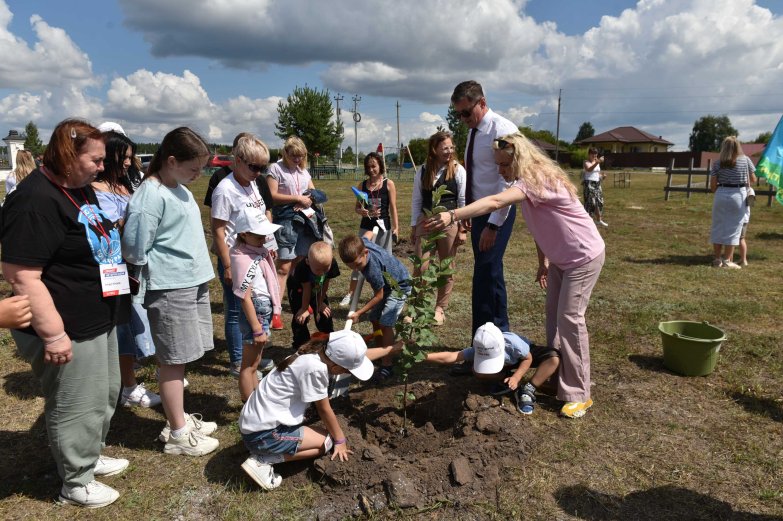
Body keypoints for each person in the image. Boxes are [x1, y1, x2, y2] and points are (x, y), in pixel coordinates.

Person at [426, 132, 605, 419]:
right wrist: (543, 260)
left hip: (582, 257)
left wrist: (453, 215)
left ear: (518, 159)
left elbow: (495, 201)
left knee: (570, 319)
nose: (500, 171)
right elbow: (543, 224)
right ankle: (558, 374)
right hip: (561, 258)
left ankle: (580, 392)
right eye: (497, 164)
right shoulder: (528, 184)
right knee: (553, 318)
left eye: (503, 165)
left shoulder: (539, 180)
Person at [1, 118, 127, 508]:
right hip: (66, 323)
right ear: (68, 156)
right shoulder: (35, 198)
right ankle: (75, 482)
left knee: (103, 394)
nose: (102, 167)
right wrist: (53, 333)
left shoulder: (78, 189)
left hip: (96, 315)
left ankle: (89, 455)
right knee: (76, 401)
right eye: (95, 159)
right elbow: (21, 274)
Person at [122, 127, 220, 456]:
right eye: (194, 169)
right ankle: (178, 433)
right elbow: (135, 248)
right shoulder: (150, 195)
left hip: (189, 282)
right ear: (172, 160)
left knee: (182, 357)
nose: (199, 175)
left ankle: (179, 419)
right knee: (172, 360)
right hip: (169, 287)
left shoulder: (177, 187)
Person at [238, 330, 401, 490]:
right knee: (326, 443)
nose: (347, 373)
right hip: (263, 434)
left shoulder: (313, 353)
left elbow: (360, 358)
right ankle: (263, 460)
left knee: (320, 434)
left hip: (254, 424)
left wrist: (391, 349)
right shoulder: (315, 370)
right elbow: (324, 409)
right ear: (337, 368)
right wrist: (340, 440)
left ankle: (266, 448)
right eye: (347, 371)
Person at [93, 127, 160, 408]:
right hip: (112, 268)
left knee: (138, 317)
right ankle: (128, 385)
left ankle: (134, 374)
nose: (129, 162)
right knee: (122, 324)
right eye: (124, 156)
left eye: (131, 157)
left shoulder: (125, 185)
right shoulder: (95, 190)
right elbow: (102, 230)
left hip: (133, 264)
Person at [450, 80, 519, 336]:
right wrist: (469, 210)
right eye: (459, 114)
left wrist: (492, 224)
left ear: (482, 103)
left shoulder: (502, 130)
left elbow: (507, 180)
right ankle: (499, 335)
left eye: (466, 112)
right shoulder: (474, 130)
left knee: (484, 274)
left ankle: (484, 339)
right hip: (480, 212)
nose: (462, 118)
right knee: (490, 272)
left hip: (497, 213)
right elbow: (476, 174)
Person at [211, 134, 276, 376]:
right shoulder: (225, 190)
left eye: (262, 167)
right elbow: (217, 230)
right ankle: (239, 362)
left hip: (255, 255)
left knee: (253, 307)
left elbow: (260, 217)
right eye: (253, 166)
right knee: (237, 309)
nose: (258, 172)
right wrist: (227, 266)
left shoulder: (252, 184)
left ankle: (251, 357)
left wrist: (269, 246)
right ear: (238, 160)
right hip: (235, 259)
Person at [424, 322, 560, 415]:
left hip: (522, 356)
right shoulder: (478, 349)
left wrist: (517, 377)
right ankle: (504, 379)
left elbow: (527, 359)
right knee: (477, 371)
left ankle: (528, 389)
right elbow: (450, 356)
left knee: (554, 358)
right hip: (507, 365)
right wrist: (421, 356)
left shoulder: (514, 344)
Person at [410, 130, 467, 326]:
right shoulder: (423, 170)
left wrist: (462, 229)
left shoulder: (458, 170)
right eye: (445, 148)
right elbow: (417, 199)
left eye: (451, 148)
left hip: (449, 222)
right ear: (434, 149)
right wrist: (413, 226)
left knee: (446, 267)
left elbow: (463, 201)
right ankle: (416, 306)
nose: (449, 151)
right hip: (425, 221)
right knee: (421, 265)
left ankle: (440, 308)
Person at [338, 235, 410, 382]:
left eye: (358, 265)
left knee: (385, 323)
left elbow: (379, 296)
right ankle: (379, 349)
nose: (356, 269)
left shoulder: (372, 269)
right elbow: (368, 234)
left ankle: (387, 364)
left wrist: (358, 312)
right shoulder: (361, 244)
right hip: (388, 285)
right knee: (374, 318)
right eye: (352, 267)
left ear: (365, 252)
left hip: (399, 286)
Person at [229, 207, 282, 401]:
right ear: (244, 234)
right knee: (248, 366)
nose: (264, 239)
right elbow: (244, 296)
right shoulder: (242, 259)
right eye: (259, 236)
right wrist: (257, 328)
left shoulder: (255, 251)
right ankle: (248, 406)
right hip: (256, 312)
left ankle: (256, 401)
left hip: (261, 310)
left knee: (255, 362)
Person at [268, 136, 318, 323]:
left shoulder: (303, 171)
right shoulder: (275, 169)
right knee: (283, 267)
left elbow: (313, 191)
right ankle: (275, 311)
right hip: (285, 222)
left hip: (304, 221)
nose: (297, 160)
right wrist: (297, 198)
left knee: (300, 262)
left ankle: (299, 302)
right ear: (285, 153)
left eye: (300, 156)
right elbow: (272, 196)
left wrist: (309, 198)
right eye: (293, 156)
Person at [339, 152, 399, 307]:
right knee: (357, 259)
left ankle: (385, 294)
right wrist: (362, 211)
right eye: (369, 166)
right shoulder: (362, 185)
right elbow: (357, 208)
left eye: (374, 166)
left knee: (384, 261)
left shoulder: (389, 184)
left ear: (380, 165)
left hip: (383, 228)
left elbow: (393, 207)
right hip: (366, 228)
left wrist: (396, 227)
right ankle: (350, 293)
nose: (371, 169)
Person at [709, 136, 756, 269]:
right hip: (738, 194)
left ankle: (717, 259)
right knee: (734, 228)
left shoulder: (717, 163)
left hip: (721, 193)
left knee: (718, 226)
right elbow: (753, 179)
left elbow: (712, 186)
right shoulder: (746, 160)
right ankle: (727, 260)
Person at [288, 241, 340, 349]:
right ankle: (301, 343)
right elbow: (306, 289)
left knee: (324, 312)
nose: (322, 272)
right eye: (318, 269)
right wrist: (304, 308)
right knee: (300, 317)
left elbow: (325, 283)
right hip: (298, 290)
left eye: (325, 269)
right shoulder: (302, 268)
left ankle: (328, 339)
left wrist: (320, 303)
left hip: (318, 288)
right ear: (308, 262)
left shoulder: (330, 264)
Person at [582, 148, 608, 227]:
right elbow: (589, 169)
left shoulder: (597, 163)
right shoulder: (585, 162)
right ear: (589, 154)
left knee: (600, 202)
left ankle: (599, 220)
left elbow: (597, 173)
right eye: (593, 154)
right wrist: (597, 162)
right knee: (590, 203)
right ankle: (587, 221)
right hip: (589, 183)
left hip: (597, 183)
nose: (594, 156)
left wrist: (602, 176)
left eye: (596, 154)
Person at [736, 187, 754, 266]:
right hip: (743, 217)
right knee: (740, 239)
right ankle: (742, 259)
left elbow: (750, 203)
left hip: (743, 217)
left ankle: (743, 260)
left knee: (740, 239)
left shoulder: (749, 190)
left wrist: (748, 194)